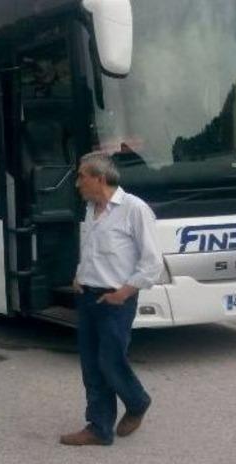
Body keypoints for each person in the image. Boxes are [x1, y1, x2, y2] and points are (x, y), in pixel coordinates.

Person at [60, 152, 163, 446]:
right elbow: (93, 250)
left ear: (99, 178)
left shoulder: (134, 209)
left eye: (82, 176)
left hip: (115, 300)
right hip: (88, 297)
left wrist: (125, 292)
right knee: (91, 366)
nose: (77, 183)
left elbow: (152, 262)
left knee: (109, 360)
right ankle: (99, 428)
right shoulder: (91, 210)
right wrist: (80, 275)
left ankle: (137, 401)